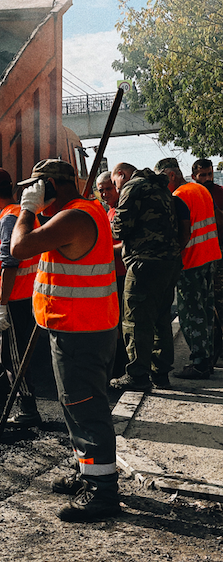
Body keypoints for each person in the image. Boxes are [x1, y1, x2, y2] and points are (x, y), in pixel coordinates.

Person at [11, 159, 120, 522]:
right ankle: (86, 471)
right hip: (79, 329)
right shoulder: (78, 212)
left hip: (82, 332)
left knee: (86, 408)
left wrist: (26, 210)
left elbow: (20, 247)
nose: (31, 193)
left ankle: (102, 492)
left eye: (36, 187)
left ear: (51, 187)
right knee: (76, 405)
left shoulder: (75, 217)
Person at [0, 167, 42, 428]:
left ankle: (28, 409)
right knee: (5, 352)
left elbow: (10, 263)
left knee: (14, 356)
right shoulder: (20, 214)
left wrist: (2, 306)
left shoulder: (7, 220)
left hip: (14, 298)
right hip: (25, 294)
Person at [109, 163, 182, 391]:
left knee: (135, 320)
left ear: (121, 175)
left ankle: (137, 374)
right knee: (161, 318)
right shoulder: (161, 188)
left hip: (144, 263)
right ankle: (160, 373)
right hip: (169, 262)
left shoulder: (133, 187)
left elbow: (120, 229)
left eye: (114, 183)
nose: (116, 188)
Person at [154, 158, 221, 379]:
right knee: (206, 311)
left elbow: (182, 231)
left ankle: (199, 363)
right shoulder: (201, 190)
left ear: (171, 175)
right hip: (210, 256)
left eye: (163, 179)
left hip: (191, 261)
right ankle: (208, 359)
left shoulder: (179, 196)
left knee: (191, 313)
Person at [96, 171, 128, 379]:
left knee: (122, 323)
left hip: (122, 275)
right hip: (111, 275)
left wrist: (102, 249)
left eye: (109, 188)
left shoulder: (123, 211)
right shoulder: (108, 212)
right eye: (102, 190)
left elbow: (127, 245)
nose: (106, 193)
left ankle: (121, 367)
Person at [191, 158, 223, 363]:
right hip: (200, 257)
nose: (206, 179)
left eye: (209, 174)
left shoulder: (218, 192)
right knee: (206, 304)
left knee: (219, 302)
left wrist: (212, 205)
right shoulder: (191, 194)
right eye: (202, 175)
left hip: (219, 254)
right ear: (194, 176)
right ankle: (212, 350)